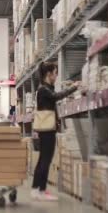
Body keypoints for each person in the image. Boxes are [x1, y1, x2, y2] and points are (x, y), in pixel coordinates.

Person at [31, 61, 79, 201]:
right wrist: (73, 88)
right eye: (55, 73)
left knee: (43, 159)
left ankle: (36, 189)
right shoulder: (43, 90)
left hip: (46, 129)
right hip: (47, 129)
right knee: (46, 159)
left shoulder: (46, 88)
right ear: (49, 74)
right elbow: (56, 96)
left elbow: (54, 95)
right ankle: (41, 190)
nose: (56, 76)